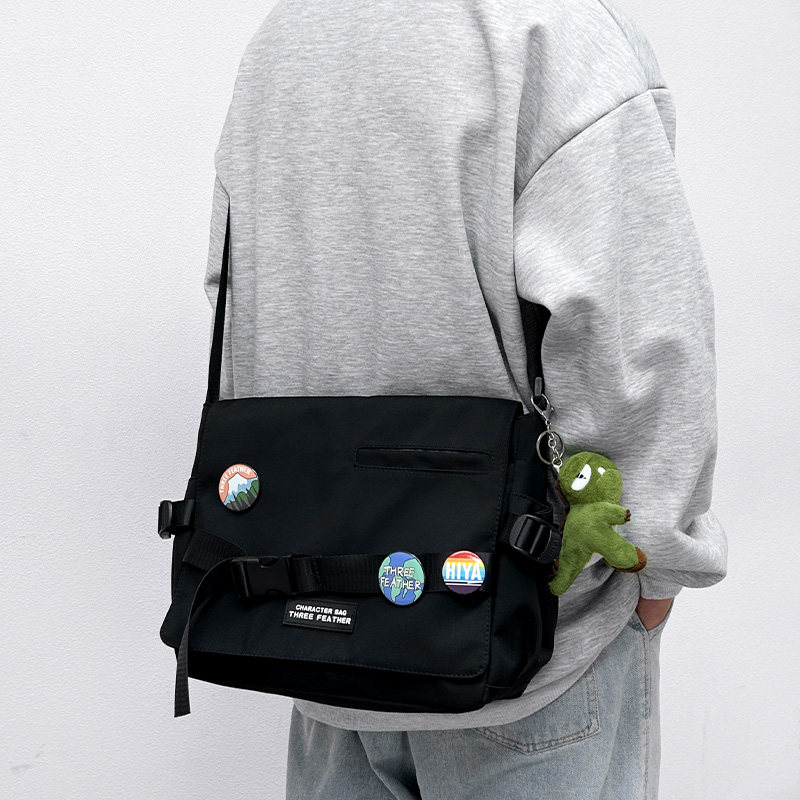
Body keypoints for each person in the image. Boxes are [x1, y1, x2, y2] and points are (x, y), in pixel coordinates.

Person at [203, 1, 728, 797]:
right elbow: (640, 335)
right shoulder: (553, 29)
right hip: (531, 654)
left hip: (317, 635)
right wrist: (655, 569)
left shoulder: (286, 34)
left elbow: (236, 294)